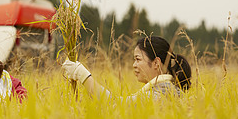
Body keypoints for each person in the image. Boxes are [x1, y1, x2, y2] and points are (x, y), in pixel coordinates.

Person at [62, 35, 192, 102]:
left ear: (156, 63)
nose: (134, 65)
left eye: (138, 59)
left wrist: (82, 74)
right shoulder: (166, 89)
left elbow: (115, 105)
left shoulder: (161, 95)